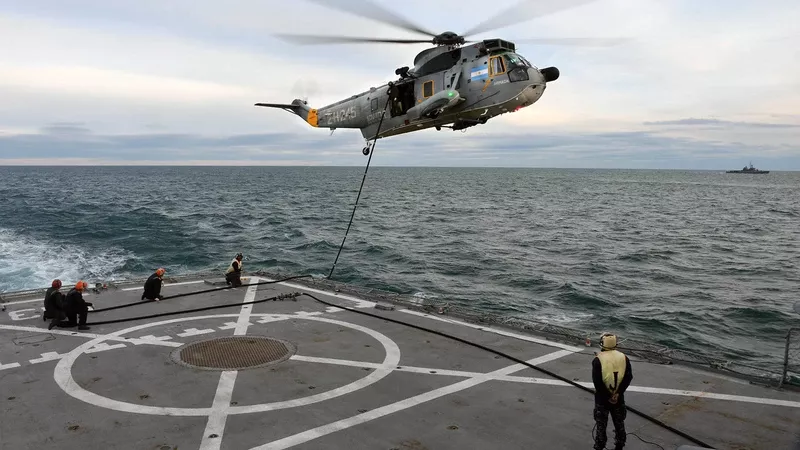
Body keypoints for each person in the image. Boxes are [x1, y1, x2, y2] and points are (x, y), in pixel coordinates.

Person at [592, 332, 633, 450]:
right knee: (619, 424)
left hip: (602, 400)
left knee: (601, 426)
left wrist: (608, 396)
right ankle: (619, 445)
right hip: (618, 398)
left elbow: (598, 383)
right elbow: (628, 377)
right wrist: (618, 393)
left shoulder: (598, 359)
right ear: (616, 344)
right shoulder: (624, 357)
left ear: (602, 343)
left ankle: (600, 445)